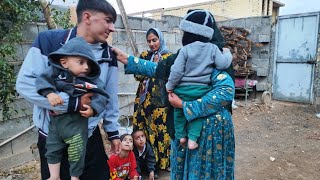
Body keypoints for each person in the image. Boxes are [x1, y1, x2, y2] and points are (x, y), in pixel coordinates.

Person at [112, 9, 235, 179]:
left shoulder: (216, 55)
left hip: (210, 133)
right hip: (185, 125)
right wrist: (129, 60)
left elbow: (225, 93)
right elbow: (161, 68)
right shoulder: (186, 55)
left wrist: (185, 106)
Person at [15, 0, 121, 179]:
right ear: (87, 17)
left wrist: (113, 132)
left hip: (88, 135)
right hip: (54, 136)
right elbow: (25, 84)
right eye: (108, 21)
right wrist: (72, 103)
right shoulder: (49, 42)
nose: (112, 28)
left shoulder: (109, 55)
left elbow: (109, 95)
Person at [35, 37, 109, 180]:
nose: (86, 67)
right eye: (81, 62)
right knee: (52, 148)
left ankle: (75, 177)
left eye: (88, 63)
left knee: (77, 152)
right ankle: (54, 176)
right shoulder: (56, 72)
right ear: (64, 62)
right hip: (56, 123)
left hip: (76, 124)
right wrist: (49, 93)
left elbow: (102, 95)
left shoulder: (89, 80)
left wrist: (93, 109)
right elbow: (42, 80)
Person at [165, 9, 232, 149]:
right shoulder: (213, 49)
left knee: (178, 112)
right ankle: (192, 140)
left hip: (182, 90)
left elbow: (176, 71)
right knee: (197, 116)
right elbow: (223, 64)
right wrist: (227, 53)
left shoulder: (185, 50)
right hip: (201, 90)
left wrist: (169, 85)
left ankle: (181, 136)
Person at [132, 28, 171, 172]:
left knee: (162, 132)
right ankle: (146, 165)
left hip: (161, 104)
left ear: (160, 39)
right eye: (149, 41)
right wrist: (148, 66)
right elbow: (137, 75)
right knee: (144, 132)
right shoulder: (144, 55)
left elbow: (170, 77)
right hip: (143, 102)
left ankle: (164, 164)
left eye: (154, 40)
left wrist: (154, 67)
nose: (152, 43)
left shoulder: (169, 57)